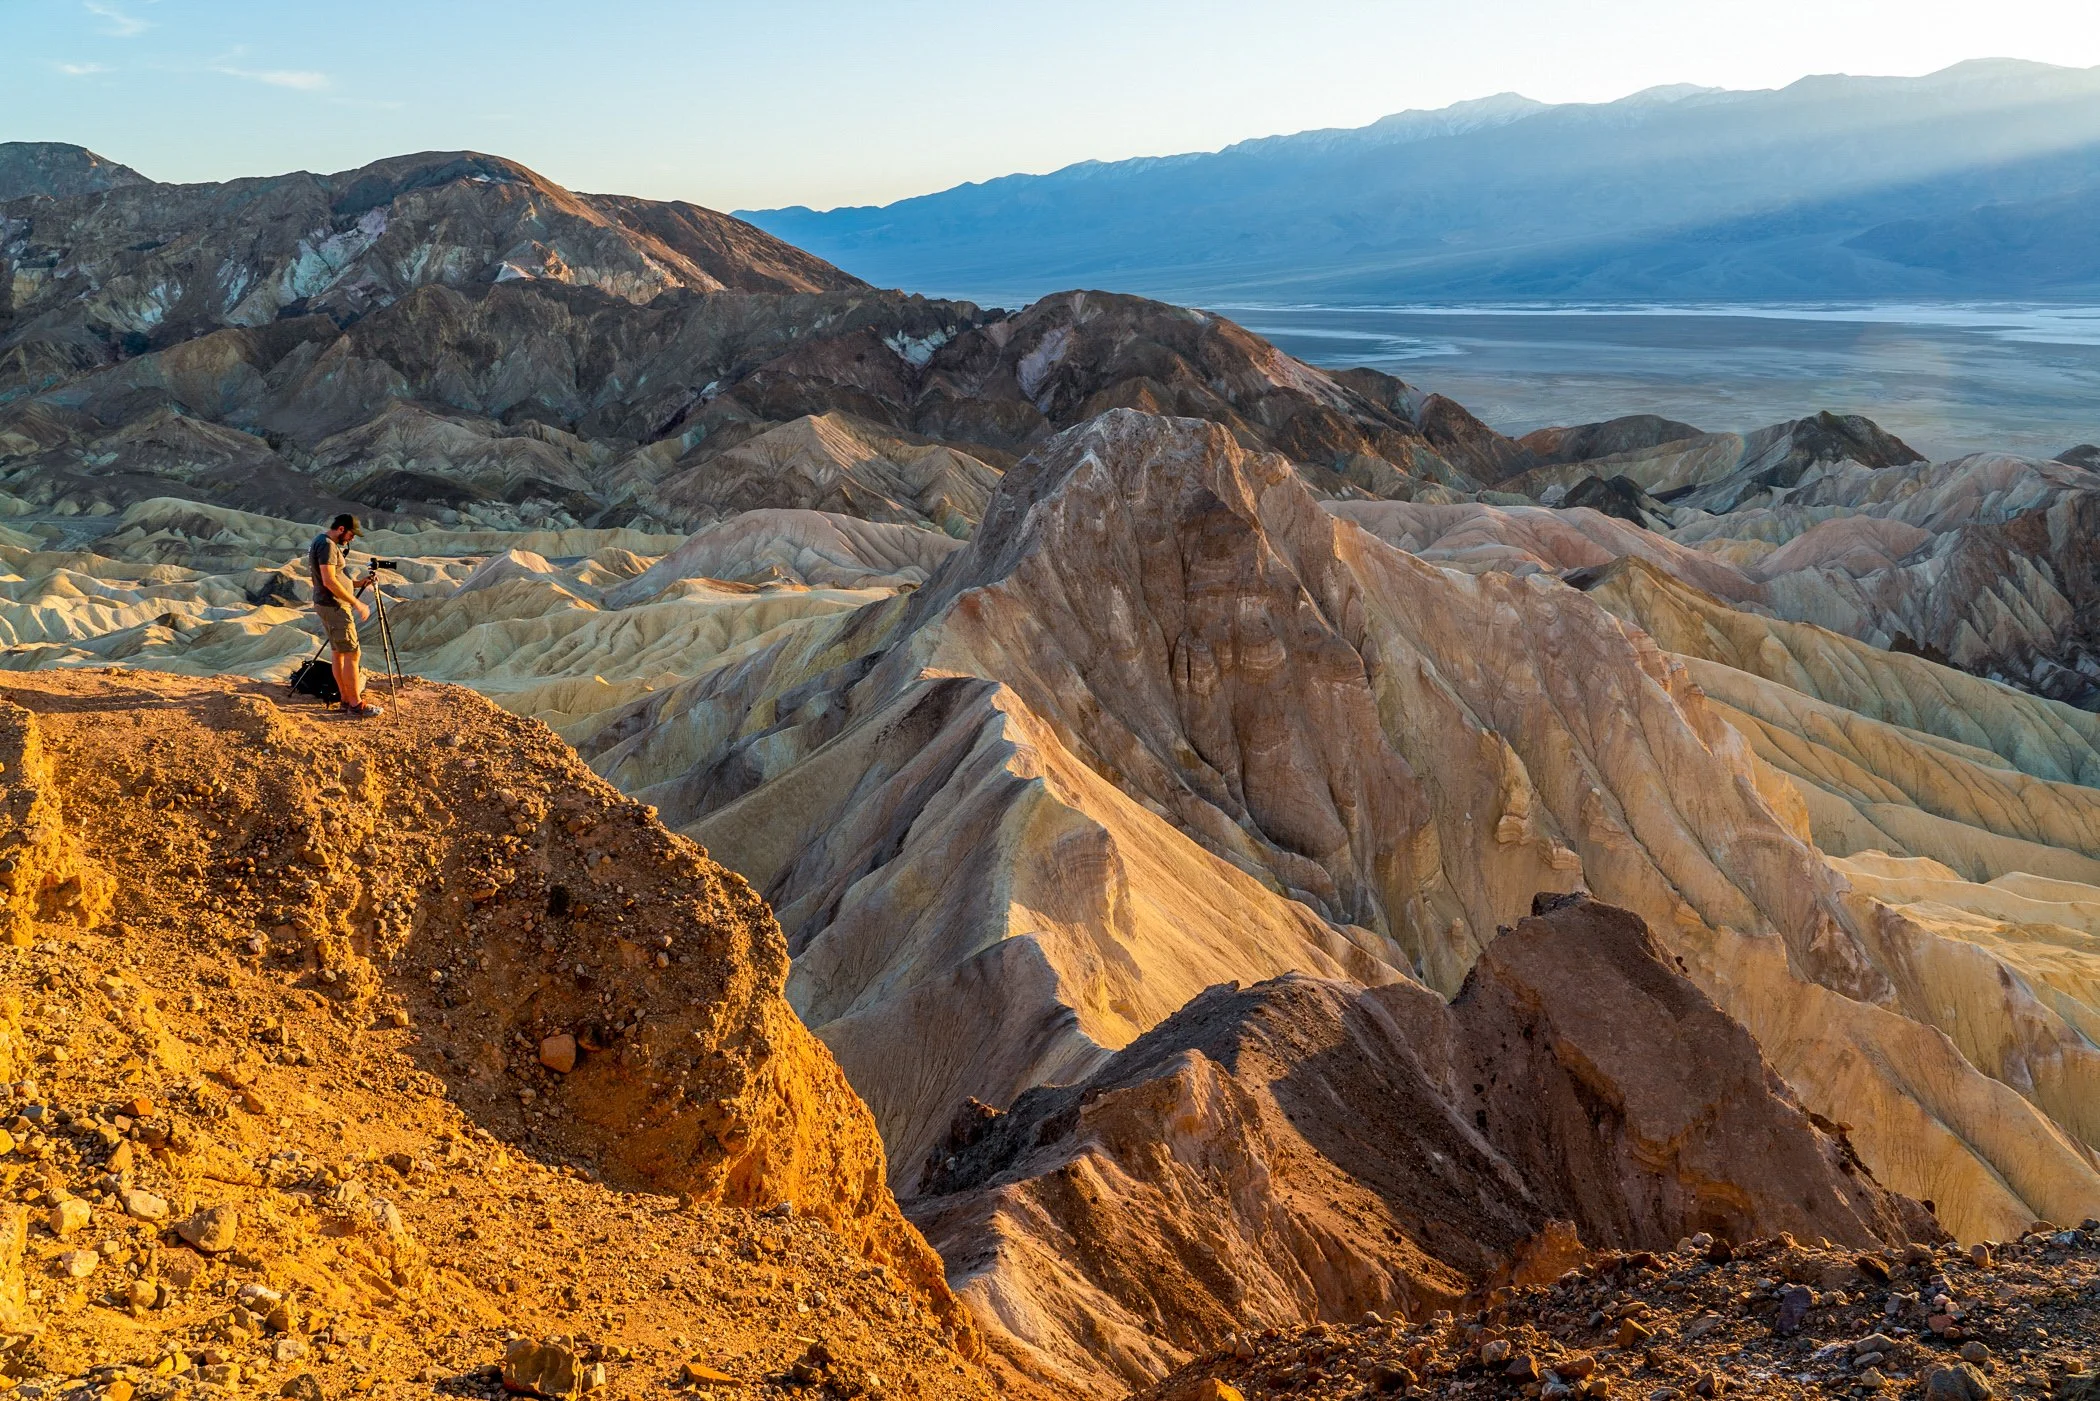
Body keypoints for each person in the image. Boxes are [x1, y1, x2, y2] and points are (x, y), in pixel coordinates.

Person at [309, 513, 384, 718]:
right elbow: (329, 581)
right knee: (352, 653)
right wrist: (356, 602)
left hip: (328, 604)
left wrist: (359, 584)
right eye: (351, 534)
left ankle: (345, 698)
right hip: (335, 606)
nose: (352, 539)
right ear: (341, 529)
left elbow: (337, 579)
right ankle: (355, 704)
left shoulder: (322, 542)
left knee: (339, 653)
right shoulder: (327, 546)